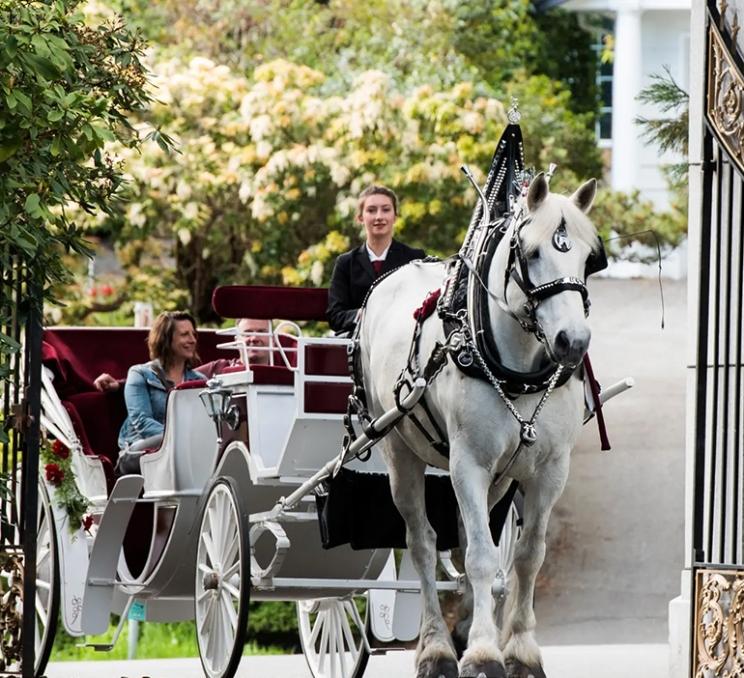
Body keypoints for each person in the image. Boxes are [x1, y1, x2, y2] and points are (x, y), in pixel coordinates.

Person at [327, 185, 425, 333]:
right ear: (360, 218)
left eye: (386, 210)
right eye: (371, 210)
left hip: (404, 346)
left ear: (395, 216)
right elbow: (335, 316)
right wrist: (364, 315)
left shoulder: (414, 259)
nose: (379, 216)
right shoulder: (345, 263)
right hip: (358, 347)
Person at [94, 317, 271, 393]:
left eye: (262, 332)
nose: (254, 338)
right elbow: (171, 377)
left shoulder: (288, 372)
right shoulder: (219, 369)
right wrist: (118, 385)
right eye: (248, 333)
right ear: (236, 338)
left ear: (273, 337)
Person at [117, 311, 206, 451]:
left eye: (193, 334)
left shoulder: (200, 381)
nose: (192, 340)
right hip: (143, 449)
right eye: (184, 334)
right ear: (166, 339)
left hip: (188, 451)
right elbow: (142, 422)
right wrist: (182, 439)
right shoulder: (139, 373)